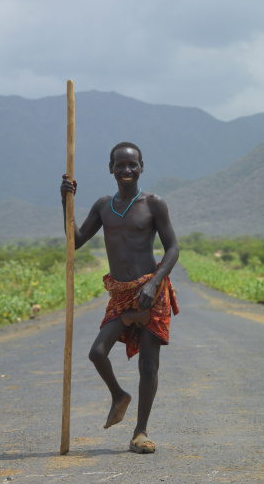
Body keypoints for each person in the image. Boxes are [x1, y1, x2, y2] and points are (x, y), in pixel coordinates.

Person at [61, 142, 179, 454]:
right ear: (110, 168)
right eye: (120, 165)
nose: (126, 170)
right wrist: (66, 200)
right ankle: (118, 395)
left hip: (151, 291)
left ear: (142, 167)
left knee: (149, 365)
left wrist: (154, 283)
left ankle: (140, 432)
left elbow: (173, 248)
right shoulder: (103, 206)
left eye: (132, 165)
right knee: (97, 352)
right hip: (121, 294)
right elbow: (76, 241)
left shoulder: (154, 204)